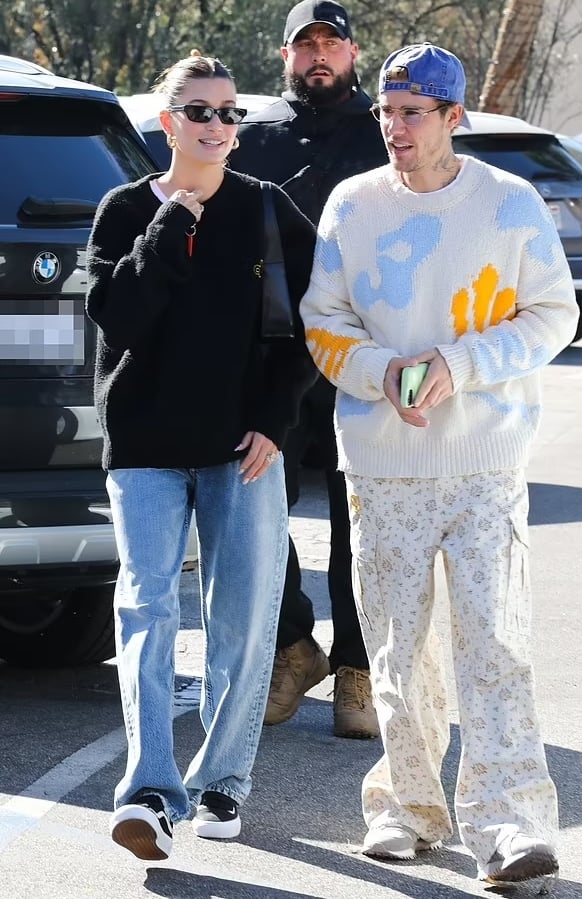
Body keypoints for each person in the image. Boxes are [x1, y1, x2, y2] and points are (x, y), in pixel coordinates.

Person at [300, 43, 579, 885]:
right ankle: (406, 809)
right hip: (382, 464)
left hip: (484, 462)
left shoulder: (509, 202)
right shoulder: (352, 205)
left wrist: (459, 362)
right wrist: (379, 370)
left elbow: (552, 315)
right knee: (396, 646)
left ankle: (510, 823)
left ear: (455, 118)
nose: (394, 128)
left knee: (494, 641)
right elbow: (323, 321)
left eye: (413, 113)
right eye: (386, 112)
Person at [85, 51, 316, 861]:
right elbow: (120, 320)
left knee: (242, 625)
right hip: (145, 447)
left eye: (229, 113)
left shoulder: (268, 210)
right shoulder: (121, 210)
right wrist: (172, 221)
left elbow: (310, 327)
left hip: (240, 450)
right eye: (200, 111)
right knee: (147, 612)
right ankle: (150, 789)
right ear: (166, 120)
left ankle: (222, 782)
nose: (217, 126)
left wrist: (274, 421)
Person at [230, 0, 387, 739]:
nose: (318, 55)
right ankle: (295, 646)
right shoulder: (252, 141)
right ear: (286, 55)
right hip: (275, 358)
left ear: (353, 53)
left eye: (331, 43)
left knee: (362, 518)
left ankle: (357, 663)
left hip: (366, 357)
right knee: (263, 512)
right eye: (305, 45)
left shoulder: (386, 132)